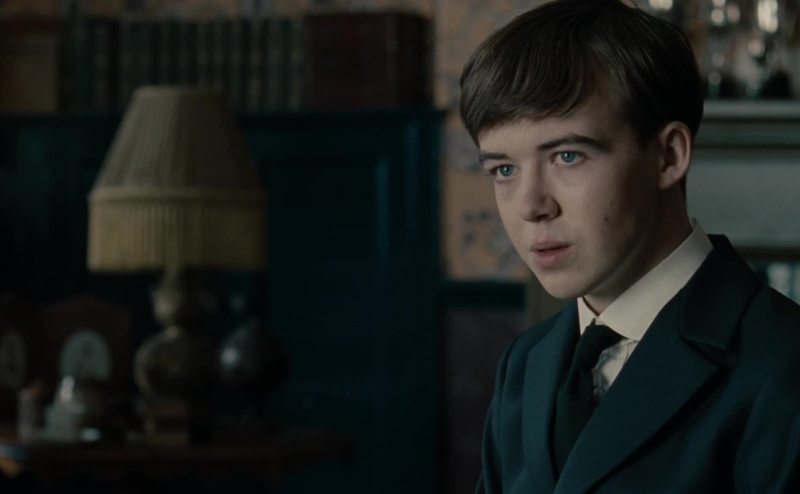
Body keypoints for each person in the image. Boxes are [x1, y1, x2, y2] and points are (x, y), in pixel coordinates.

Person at [459, 0, 800, 492]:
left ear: (668, 156)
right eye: (504, 169)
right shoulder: (527, 360)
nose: (530, 206)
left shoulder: (782, 365)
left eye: (567, 156)